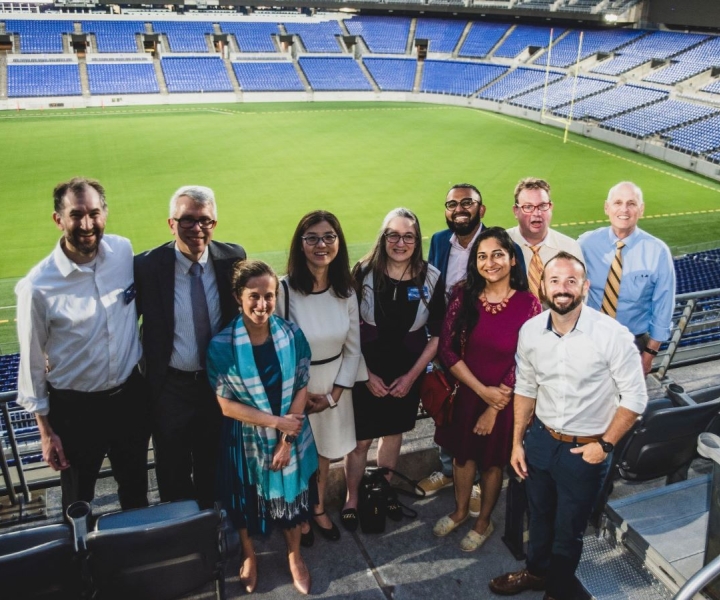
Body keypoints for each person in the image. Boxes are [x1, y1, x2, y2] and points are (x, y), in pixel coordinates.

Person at [489, 252, 648, 600]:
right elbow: (526, 388)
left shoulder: (611, 335)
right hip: (542, 442)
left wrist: (604, 445)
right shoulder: (531, 331)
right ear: (542, 286)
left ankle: (557, 591)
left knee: (569, 529)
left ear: (585, 287)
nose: (563, 289)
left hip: (586, 450)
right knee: (540, 516)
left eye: (571, 281)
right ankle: (536, 573)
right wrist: (518, 442)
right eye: (555, 281)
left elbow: (635, 398)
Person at [16, 177, 149, 514]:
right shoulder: (37, 286)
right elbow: (31, 362)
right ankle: (82, 564)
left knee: (136, 488)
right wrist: (46, 433)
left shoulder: (122, 251)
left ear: (105, 213)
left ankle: (138, 558)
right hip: (75, 411)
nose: (87, 224)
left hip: (129, 398)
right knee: (78, 500)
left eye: (94, 213)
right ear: (58, 219)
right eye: (76, 215)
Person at [207, 260, 317, 596]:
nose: (262, 304)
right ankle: (249, 553)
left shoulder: (291, 335)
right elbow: (226, 405)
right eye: (253, 296)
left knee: (295, 498)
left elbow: (301, 386)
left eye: (268, 296)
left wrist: (285, 439)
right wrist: (275, 422)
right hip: (245, 439)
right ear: (238, 297)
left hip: (291, 435)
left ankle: (294, 554)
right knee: (244, 500)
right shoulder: (222, 346)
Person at [134, 185, 246, 508]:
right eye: (187, 220)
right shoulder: (146, 267)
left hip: (217, 387)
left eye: (205, 221)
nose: (197, 228)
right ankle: (182, 539)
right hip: (171, 388)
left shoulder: (232, 258)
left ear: (215, 223)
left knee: (215, 466)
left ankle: (212, 532)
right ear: (171, 223)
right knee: (172, 472)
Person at [419, 183, 526, 511]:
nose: (459, 209)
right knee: (447, 412)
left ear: (481, 209)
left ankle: (481, 482)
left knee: (485, 415)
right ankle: (450, 470)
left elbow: (519, 295)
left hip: (486, 347)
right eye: (452, 204)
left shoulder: (500, 244)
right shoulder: (439, 241)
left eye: (467, 203)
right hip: (447, 345)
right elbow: (433, 289)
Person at [434, 227, 541, 551]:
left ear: (511, 260)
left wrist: (494, 407)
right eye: (482, 256)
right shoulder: (463, 294)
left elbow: (527, 360)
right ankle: (461, 511)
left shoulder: (529, 304)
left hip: (505, 402)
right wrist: (482, 392)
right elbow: (448, 351)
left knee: (493, 464)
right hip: (467, 393)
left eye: (497, 254)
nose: (489, 262)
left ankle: (484, 520)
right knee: (463, 458)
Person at [341, 208, 445, 531]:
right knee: (360, 442)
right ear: (383, 237)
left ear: (417, 240)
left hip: (406, 373)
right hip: (366, 372)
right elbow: (348, 328)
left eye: (408, 236)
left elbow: (437, 336)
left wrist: (411, 377)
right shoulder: (363, 271)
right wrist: (365, 374)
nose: (401, 242)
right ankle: (352, 497)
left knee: (393, 434)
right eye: (393, 235)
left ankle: (383, 488)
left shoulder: (431, 277)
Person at [276, 210, 366, 547]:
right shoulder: (284, 290)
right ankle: (297, 513)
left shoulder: (346, 290)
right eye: (312, 237)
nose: (321, 244)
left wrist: (333, 395)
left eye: (329, 237)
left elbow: (353, 349)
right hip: (298, 385)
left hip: (334, 387)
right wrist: (301, 394)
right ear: (300, 245)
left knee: (325, 454)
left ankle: (315, 508)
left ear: (338, 243)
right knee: (296, 455)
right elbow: (278, 346)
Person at [578, 181, 675, 376]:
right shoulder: (585, 244)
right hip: (587, 340)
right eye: (618, 202)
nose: (624, 209)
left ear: (641, 209)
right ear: (607, 207)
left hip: (632, 345)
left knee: (625, 404)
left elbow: (663, 309)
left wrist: (648, 357)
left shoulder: (658, 252)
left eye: (631, 203)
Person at [506, 177, 584, 299]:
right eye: (528, 207)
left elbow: (580, 296)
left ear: (551, 207)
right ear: (516, 211)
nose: (536, 213)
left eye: (542, 206)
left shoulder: (570, 248)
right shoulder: (501, 245)